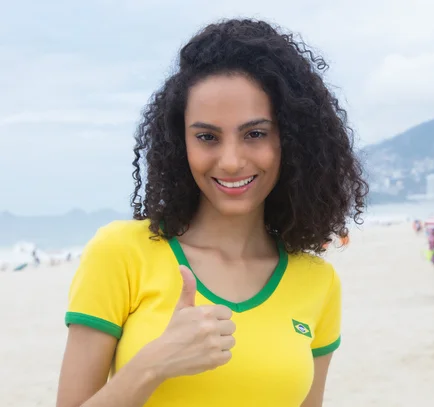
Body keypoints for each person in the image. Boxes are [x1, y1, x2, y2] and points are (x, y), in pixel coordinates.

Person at [56, 19, 368, 407]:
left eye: (255, 134)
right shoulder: (121, 253)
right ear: (179, 143)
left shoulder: (318, 282)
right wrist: (152, 364)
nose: (232, 161)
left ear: (291, 140)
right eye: (207, 137)